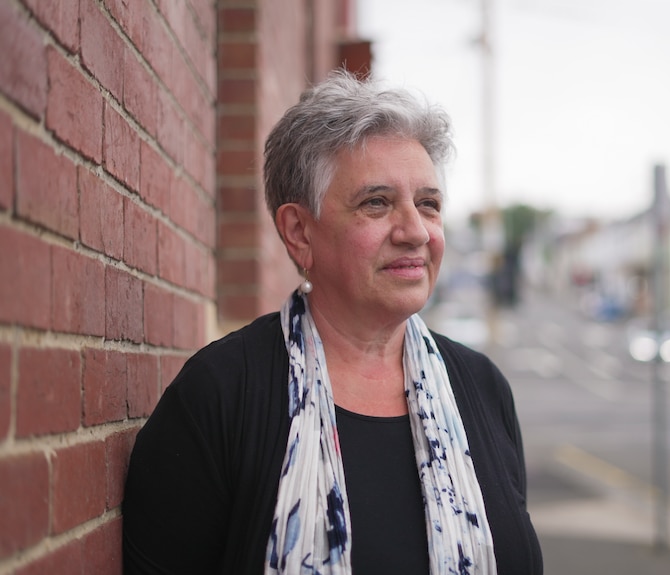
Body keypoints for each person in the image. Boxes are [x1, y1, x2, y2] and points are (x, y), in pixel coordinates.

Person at [122, 69, 542, 575]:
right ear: (299, 232)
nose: (415, 231)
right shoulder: (221, 395)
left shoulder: (480, 388)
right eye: (377, 203)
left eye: (428, 204)